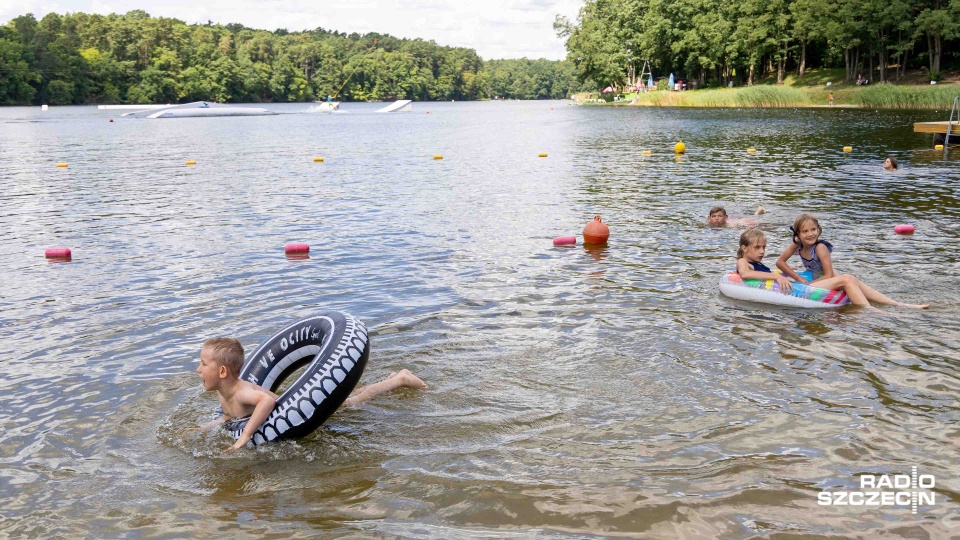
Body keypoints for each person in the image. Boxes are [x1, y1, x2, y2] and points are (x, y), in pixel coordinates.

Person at [197, 337, 427, 450]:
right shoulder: (223, 393)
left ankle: (400, 380)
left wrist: (246, 435)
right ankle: (392, 380)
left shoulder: (242, 392)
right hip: (291, 409)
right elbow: (229, 417)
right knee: (350, 400)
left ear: (223, 371)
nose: (198, 370)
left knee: (352, 403)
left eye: (203, 364)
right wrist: (203, 429)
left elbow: (266, 400)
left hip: (303, 412)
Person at [775, 214, 928, 309]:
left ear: (818, 230)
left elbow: (828, 275)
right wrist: (798, 278)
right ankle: (872, 310)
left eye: (813, 229)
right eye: (805, 231)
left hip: (825, 280)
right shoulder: (797, 245)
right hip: (815, 282)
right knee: (848, 279)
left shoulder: (820, 247)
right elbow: (780, 262)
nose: (810, 234)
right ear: (798, 234)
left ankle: (898, 304)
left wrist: (808, 284)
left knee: (851, 279)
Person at [736, 228, 793, 294]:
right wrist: (777, 277)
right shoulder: (742, 261)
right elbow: (745, 274)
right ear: (744, 248)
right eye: (757, 247)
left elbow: (766, 274)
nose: (762, 251)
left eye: (764, 247)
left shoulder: (758, 264)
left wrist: (784, 273)